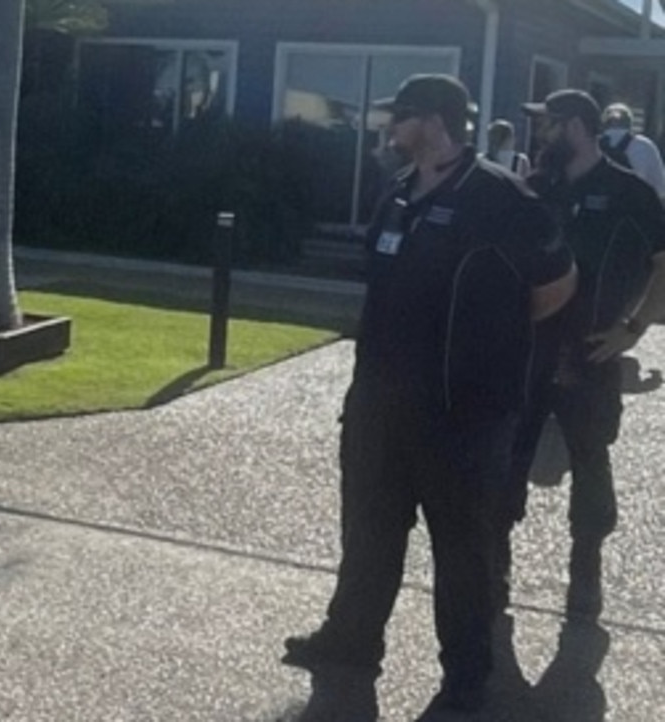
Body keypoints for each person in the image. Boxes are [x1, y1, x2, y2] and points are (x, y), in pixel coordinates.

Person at [280, 74, 576, 717]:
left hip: (463, 418)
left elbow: (556, 287)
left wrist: (489, 348)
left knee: (463, 553)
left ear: (438, 121)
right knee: (369, 535)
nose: (390, 126)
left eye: (402, 115)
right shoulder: (398, 194)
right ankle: (351, 643)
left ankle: (467, 677)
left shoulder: (499, 198)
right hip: (380, 409)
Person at [502, 90, 665, 620]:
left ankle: (586, 573)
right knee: (509, 456)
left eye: (547, 125)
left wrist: (634, 328)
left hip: (590, 354)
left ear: (575, 126)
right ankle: (493, 564)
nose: (540, 136)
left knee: (591, 461)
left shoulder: (630, 192)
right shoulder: (535, 188)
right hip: (528, 352)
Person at [599, 102, 665, 201]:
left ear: (604, 123)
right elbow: (660, 188)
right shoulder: (645, 146)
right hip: (633, 210)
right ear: (630, 123)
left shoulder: (590, 144)